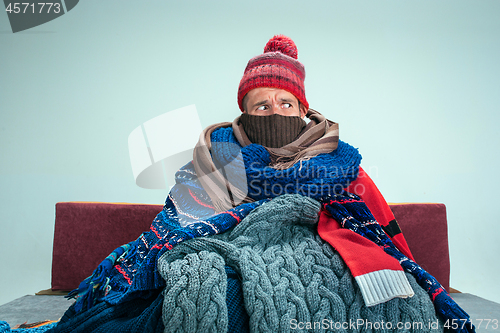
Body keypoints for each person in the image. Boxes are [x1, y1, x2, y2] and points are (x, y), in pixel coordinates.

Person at [46, 35, 474, 333]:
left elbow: (380, 233)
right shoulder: (215, 159)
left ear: (303, 110)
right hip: (232, 252)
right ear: (244, 113)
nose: (275, 112)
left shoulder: (341, 165)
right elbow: (178, 224)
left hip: (329, 261)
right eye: (261, 104)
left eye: (287, 103)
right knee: (203, 291)